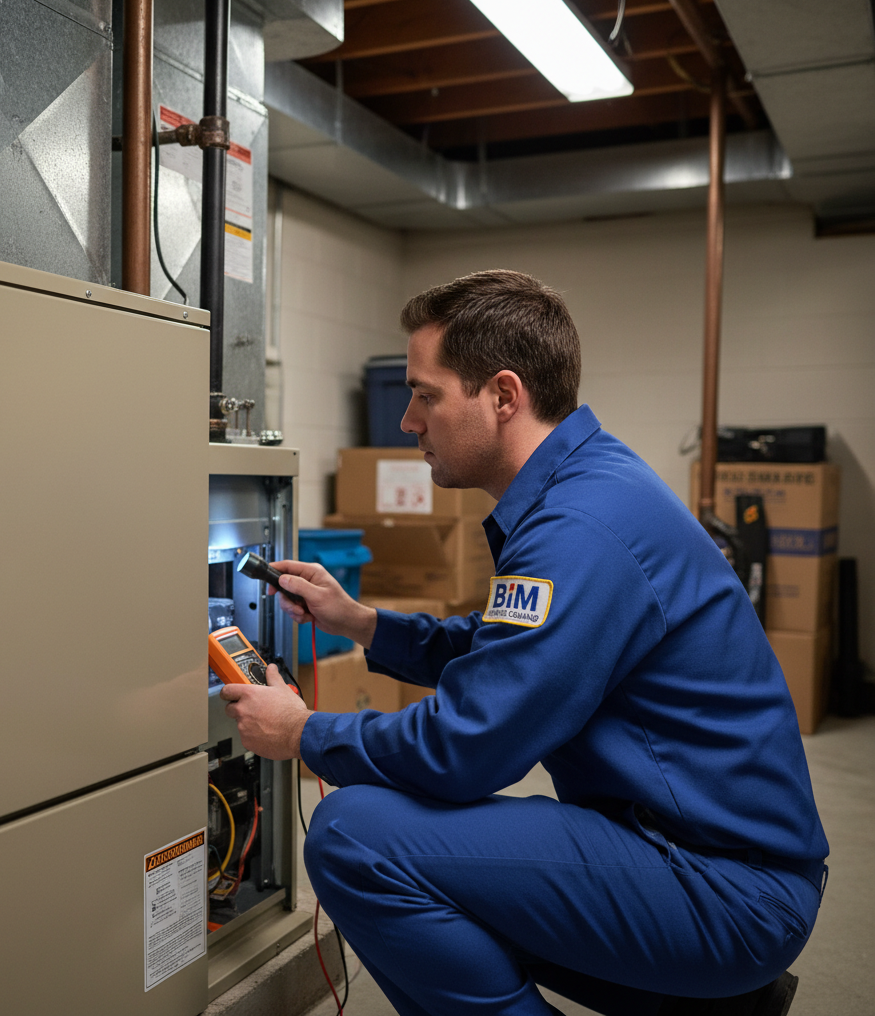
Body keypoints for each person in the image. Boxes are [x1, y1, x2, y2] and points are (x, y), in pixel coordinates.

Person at [220, 270, 828, 1016]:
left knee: (357, 838)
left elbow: (468, 748)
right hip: (691, 853)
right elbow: (506, 653)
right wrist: (363, 624)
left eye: (425, 394)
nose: (408, 421)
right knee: (431, 874)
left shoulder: (580, 528)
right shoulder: (585, 488)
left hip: (723, 888)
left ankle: (698, 986)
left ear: (504, 396)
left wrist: (304, 732)